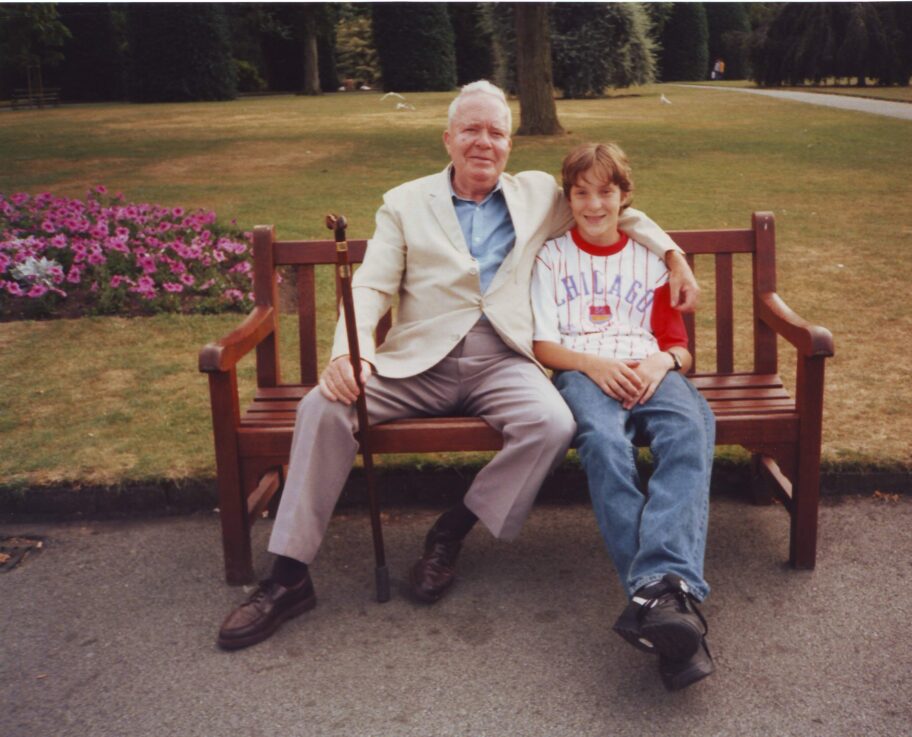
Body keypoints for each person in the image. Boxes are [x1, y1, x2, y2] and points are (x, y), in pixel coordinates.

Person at [216, 82, 702, 650]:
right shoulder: (404, 201)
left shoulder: (539, 194)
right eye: (471, 130)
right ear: (448, 138)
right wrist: (351, 353)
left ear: (509, 145)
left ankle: (453, 529)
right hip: (415, 362)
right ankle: (287, 577)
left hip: (503, 359)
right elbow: (371, 285)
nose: (483, 142)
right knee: (322, 407)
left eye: (496, 132)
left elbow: (618, 210)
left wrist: (674, 258)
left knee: (552, 423)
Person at [530, 142, 715, 691]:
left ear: (624, 197)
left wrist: (660, 362)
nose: (593, 204)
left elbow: (679, 347)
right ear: (569, 199)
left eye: (605, 192)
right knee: (606, 445)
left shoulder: (650, 257)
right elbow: (543, 344)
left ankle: (655, 595)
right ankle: (669, 597)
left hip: (652, 369)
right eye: (581, 193)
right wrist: (593, 365)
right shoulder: (551, 256)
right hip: (584, 373)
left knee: (689, 430)